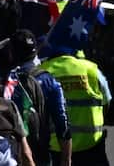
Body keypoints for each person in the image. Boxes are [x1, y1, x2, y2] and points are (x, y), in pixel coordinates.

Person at [8, 30, 72, 166]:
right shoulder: (49, 81)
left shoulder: (4, 80)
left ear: (11, 52)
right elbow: (63, 122)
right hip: (40, 152)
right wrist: (66, 160)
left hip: (10, 154)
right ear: (35, 52)